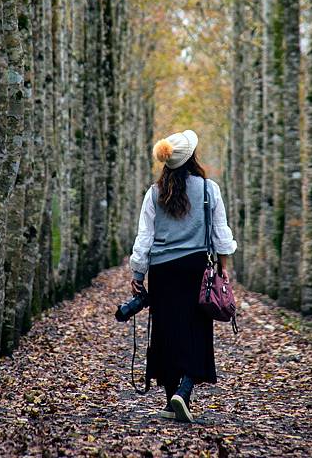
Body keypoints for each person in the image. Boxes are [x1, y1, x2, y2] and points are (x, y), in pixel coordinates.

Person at [127, 129, 237, 423]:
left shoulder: (154, 193)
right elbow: (221, 232)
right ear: (192, 159)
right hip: (196, 268)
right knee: (197, 329)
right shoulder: (208, 189)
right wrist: (224, 265)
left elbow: (144, 238)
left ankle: (169, 399)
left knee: (165, 331)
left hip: (162, 272)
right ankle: (184, 392)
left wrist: (138, 271)